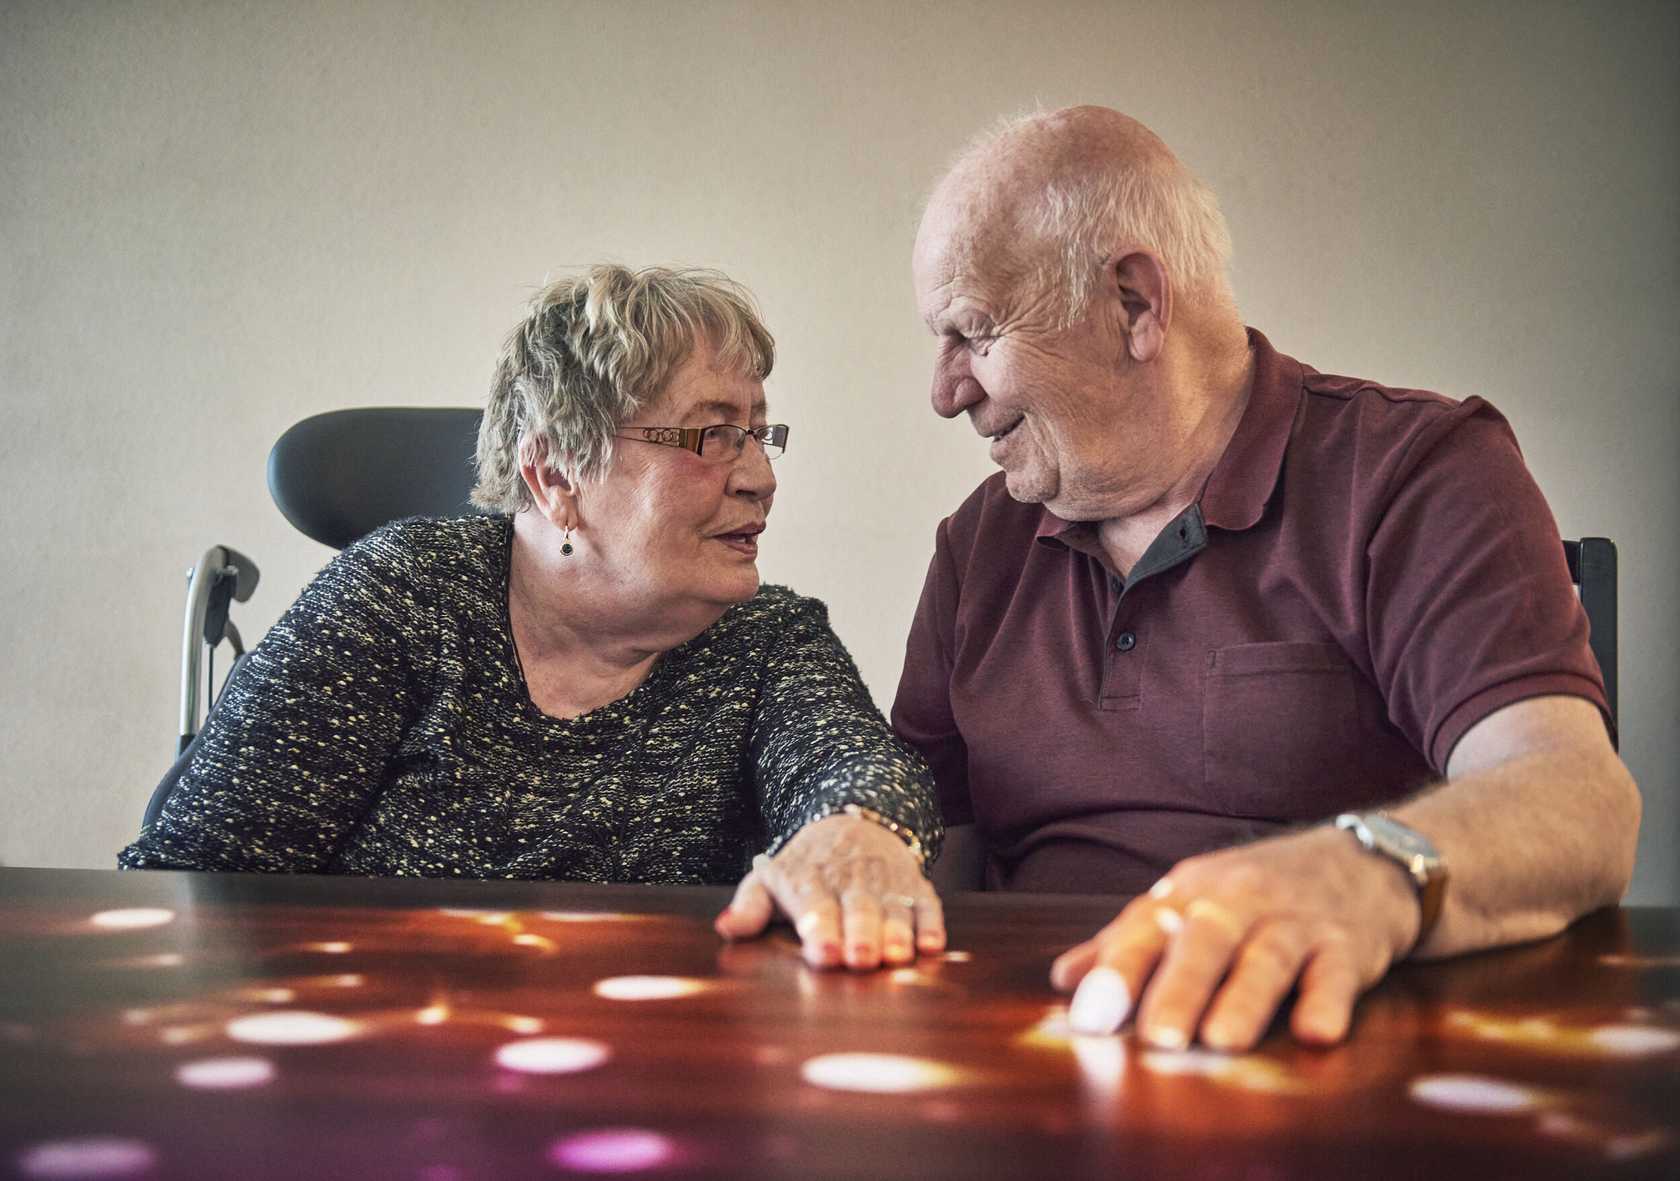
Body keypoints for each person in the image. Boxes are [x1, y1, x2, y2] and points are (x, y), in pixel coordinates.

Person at [894, 107, 1640, 1049]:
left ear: (1133, 302)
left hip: (1330, 1048)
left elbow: (1577, 799)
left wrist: (1364, 873)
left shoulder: (1416, 470)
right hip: (1035, 1053)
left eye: (973, 331)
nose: (944, 390)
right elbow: (925, 856)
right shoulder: (977, 547)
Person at [122, 264, 945, 973]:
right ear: (556, 471)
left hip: (655, 1079)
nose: (761, 477)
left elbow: (859, 773)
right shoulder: (401, 595)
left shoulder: (768, 638)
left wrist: (861, 832)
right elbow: (192, 876)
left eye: (762, 435)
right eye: (716, 434)